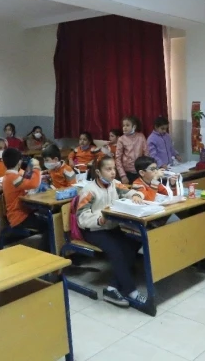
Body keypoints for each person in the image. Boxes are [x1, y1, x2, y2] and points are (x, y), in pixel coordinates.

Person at [76, 155, 146, 307]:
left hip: (112, 228)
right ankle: (131, 291)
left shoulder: (115, 184)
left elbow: (129, 192)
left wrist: (136, 195)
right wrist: (99, 219)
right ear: (98, 172)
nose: (113, 172)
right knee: (116, 251)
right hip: (94, 230)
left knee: (134, 242)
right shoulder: (89, 190)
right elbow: (81, 218)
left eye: (114, 168)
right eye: (108, 169)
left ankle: (112, 288)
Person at [1, 148, 49, 249]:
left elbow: (26, 176)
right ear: (19, 162)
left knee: (46, 218)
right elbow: (34, 184)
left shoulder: (10, 175)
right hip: (19, 216)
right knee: (49, 225)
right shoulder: (13, 178)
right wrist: (36, 167)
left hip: (22, 212)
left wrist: (32, 169)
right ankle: (45, 250)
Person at [116, 115, 148, 183]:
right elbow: (118, 158)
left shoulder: (141, 136)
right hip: (127, 172)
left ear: (134, 127)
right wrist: (123, 175)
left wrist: (147, 170)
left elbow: (146, 154)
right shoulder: (121, 139)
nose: (124, 127)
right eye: (123, 125)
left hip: (140, 171)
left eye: (127, 125)